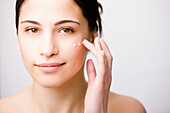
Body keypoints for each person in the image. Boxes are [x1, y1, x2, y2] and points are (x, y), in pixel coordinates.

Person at [0, 0, 146, 112]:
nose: (48, 50)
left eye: (66, 30)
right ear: (18, 36)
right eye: (32, 30)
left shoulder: (129, 109)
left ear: (92, 37)